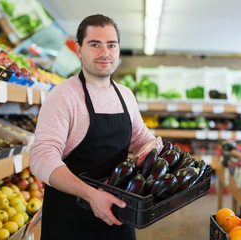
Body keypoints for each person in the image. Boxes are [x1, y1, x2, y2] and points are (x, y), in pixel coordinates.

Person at [30, 14, 156, 239]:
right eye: (95, 44)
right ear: (79, 49)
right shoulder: (63, 95)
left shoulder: (125, 95)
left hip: (119, 219)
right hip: (70, 222)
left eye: (111, 45)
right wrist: (89, 194)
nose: (105, 53)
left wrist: (166, 159)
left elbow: (141, 139)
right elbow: (41, 158)